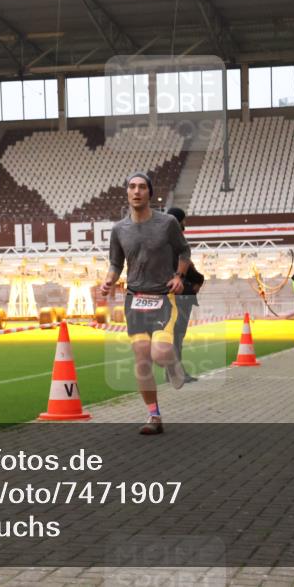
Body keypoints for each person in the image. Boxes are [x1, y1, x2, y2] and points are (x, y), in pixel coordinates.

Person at [100, 172, 191, 435]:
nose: (136, 191)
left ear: (150, 193)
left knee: (160, 353)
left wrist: (179, 276)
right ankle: (154, 417)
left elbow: (184, 251)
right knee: (142, 359)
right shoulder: (119, 229)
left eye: (141, 187)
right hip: (135, 299)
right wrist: (109, 281)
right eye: (131, 187)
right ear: (127, 193)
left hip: (163, 297)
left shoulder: (168, 223)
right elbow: (116, 263)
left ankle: (174, 364)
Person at [165, 207, 204, 383]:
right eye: (184, 220)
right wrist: (198, 279)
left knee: (173, 335)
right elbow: (185, 264)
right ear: (179, 221)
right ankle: (176, 373)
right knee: (177, 335)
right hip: (179, 295)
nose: (185, 224)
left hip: (168, 294)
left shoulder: (163, 238)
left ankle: (172, 372)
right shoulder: (175, 240)